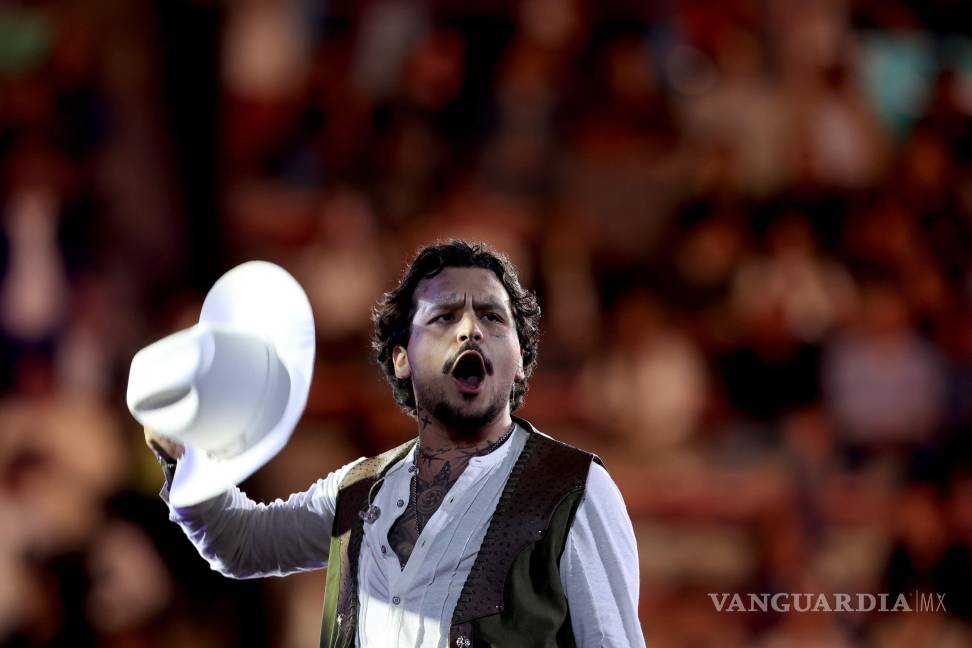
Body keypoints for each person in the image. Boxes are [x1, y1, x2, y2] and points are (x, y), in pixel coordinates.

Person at [145, 240, 645, 647]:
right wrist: (184, 455)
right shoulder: (357, 489)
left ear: (519, 359)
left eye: (493, 317)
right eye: (444, 316)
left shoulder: (575, 488)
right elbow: (242, 543)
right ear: (402, 357)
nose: (471, 330)